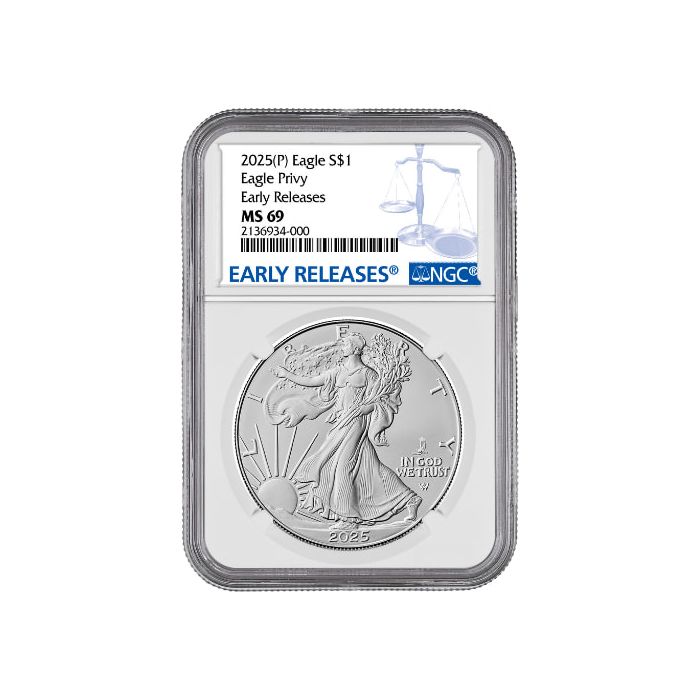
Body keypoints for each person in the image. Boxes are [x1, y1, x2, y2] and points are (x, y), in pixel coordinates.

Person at [273, 333, 421, 531]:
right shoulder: (337, 371)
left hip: (356, 423)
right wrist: (287, 374)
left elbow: (382, 399)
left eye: (345, 345)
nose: (342, 347)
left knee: (343, 467)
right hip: (341, 423)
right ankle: (409, 499)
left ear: (355, 349)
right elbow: (312, 380)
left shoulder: (368, 374)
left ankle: (349, 519)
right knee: (369, 467)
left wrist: (366, 408)